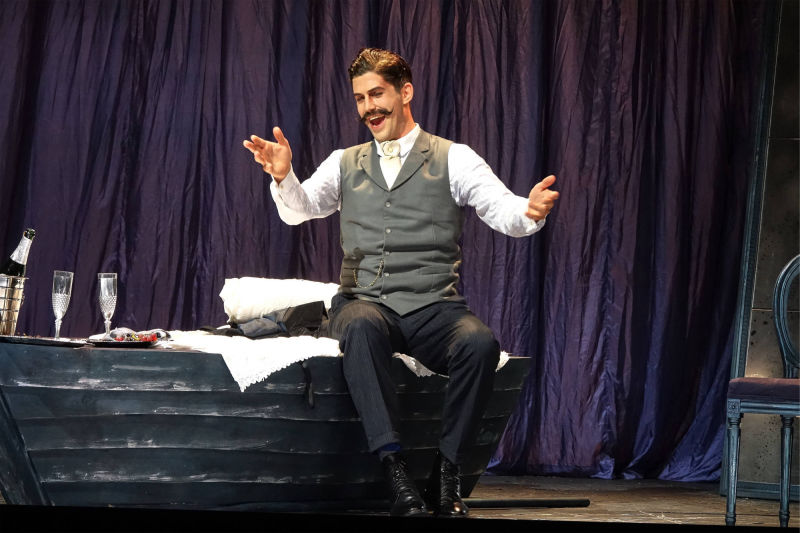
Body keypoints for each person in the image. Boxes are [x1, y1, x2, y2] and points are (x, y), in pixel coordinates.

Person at [244, 47, 559, 518]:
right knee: (360, 326)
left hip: (433, 306)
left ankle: (447, 474)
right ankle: (395, 472)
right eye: (359, 98)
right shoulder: (344, 161)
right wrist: (285, 176)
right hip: (365, 301)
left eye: (377, 94)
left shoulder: (454, 158)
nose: (368, 107)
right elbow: (301, 209)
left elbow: (502, 208)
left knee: (479, 344)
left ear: (405, 92)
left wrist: (528, 211)